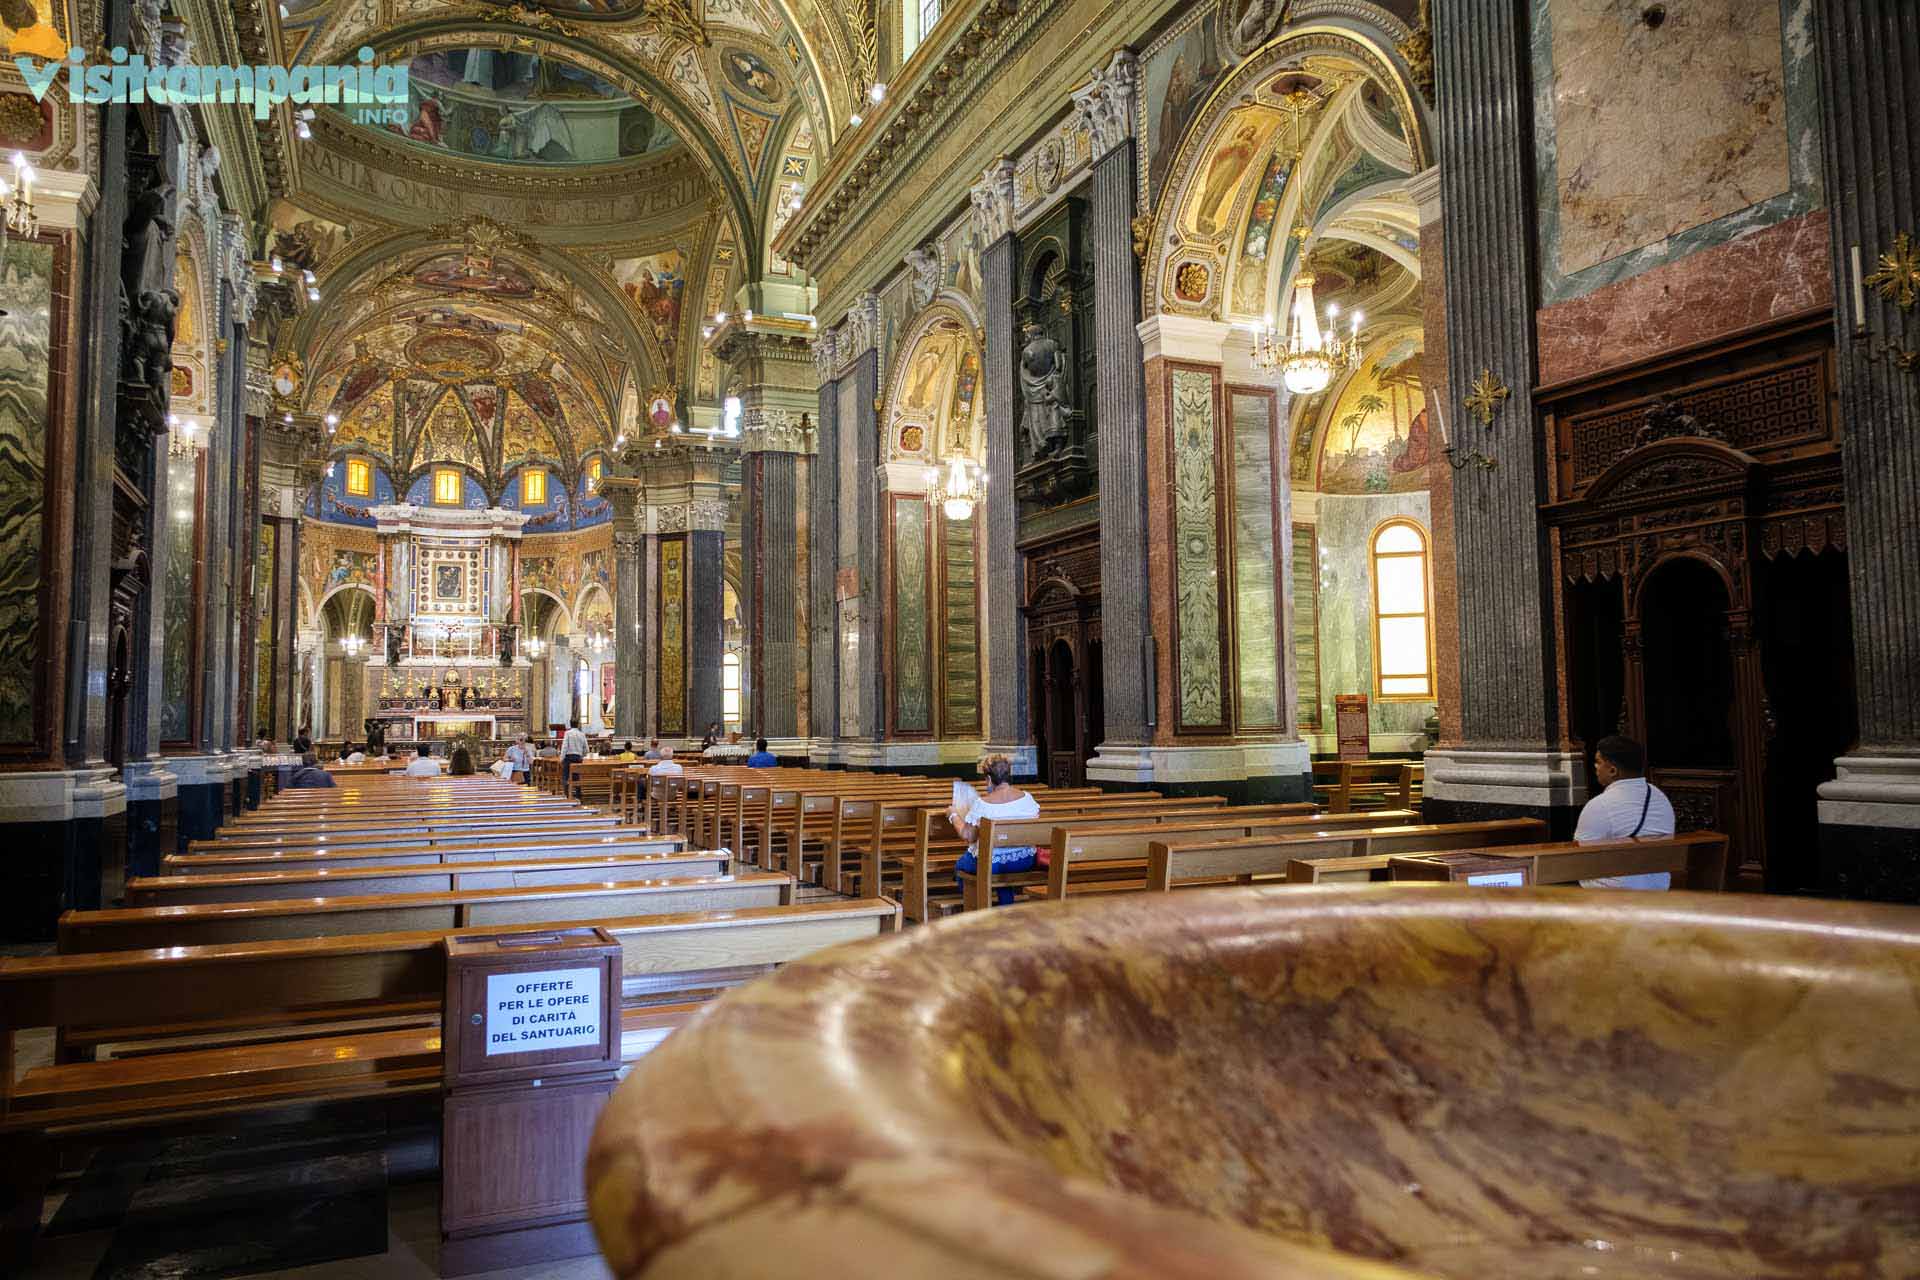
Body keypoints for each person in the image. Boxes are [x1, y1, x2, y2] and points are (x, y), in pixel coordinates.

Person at [1574, 735, 1677, 890]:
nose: (1595, 766)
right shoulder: (1659, 796)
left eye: (1598, 762)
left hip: (1618, 892)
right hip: (1659, 884)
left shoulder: (1599, 805)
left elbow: (1580, 857)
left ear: (1613, 770)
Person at [951, 754, 1040, 906]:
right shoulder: (1028, 798)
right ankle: (1005, 906)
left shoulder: (983, 804)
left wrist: (953, 815)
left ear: (990, 780)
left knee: (960, 866)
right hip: (1025, 860)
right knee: (1001, 866)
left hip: (991, 863)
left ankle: (975, 907)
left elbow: (969, 836)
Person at [561, 721, 588, 790]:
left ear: (570, 725)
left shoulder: (568, 733)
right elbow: (586, 749)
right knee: (577, 776)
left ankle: (566, 793)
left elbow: (564, 747)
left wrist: (562, 758)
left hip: (569, 758)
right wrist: (582, 756)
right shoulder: (582, 734)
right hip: (578, 757)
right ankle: (578, 794)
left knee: (565, 776)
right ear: (578, 725)